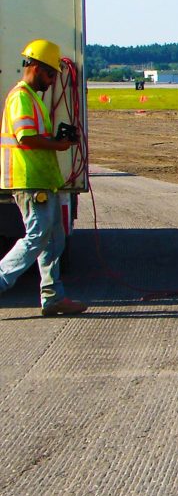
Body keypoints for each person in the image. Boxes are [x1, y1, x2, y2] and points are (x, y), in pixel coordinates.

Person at [0, 40, 87, 315]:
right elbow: (26, 137)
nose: (52, 82)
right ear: (36, 68)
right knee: (37, 237)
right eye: (50, 74)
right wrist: (58, 145)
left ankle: (52, 297)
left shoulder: (32, 98)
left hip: (41, 179)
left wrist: (56, 141)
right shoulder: (21, 97)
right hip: (29, 180)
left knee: (54, 240)